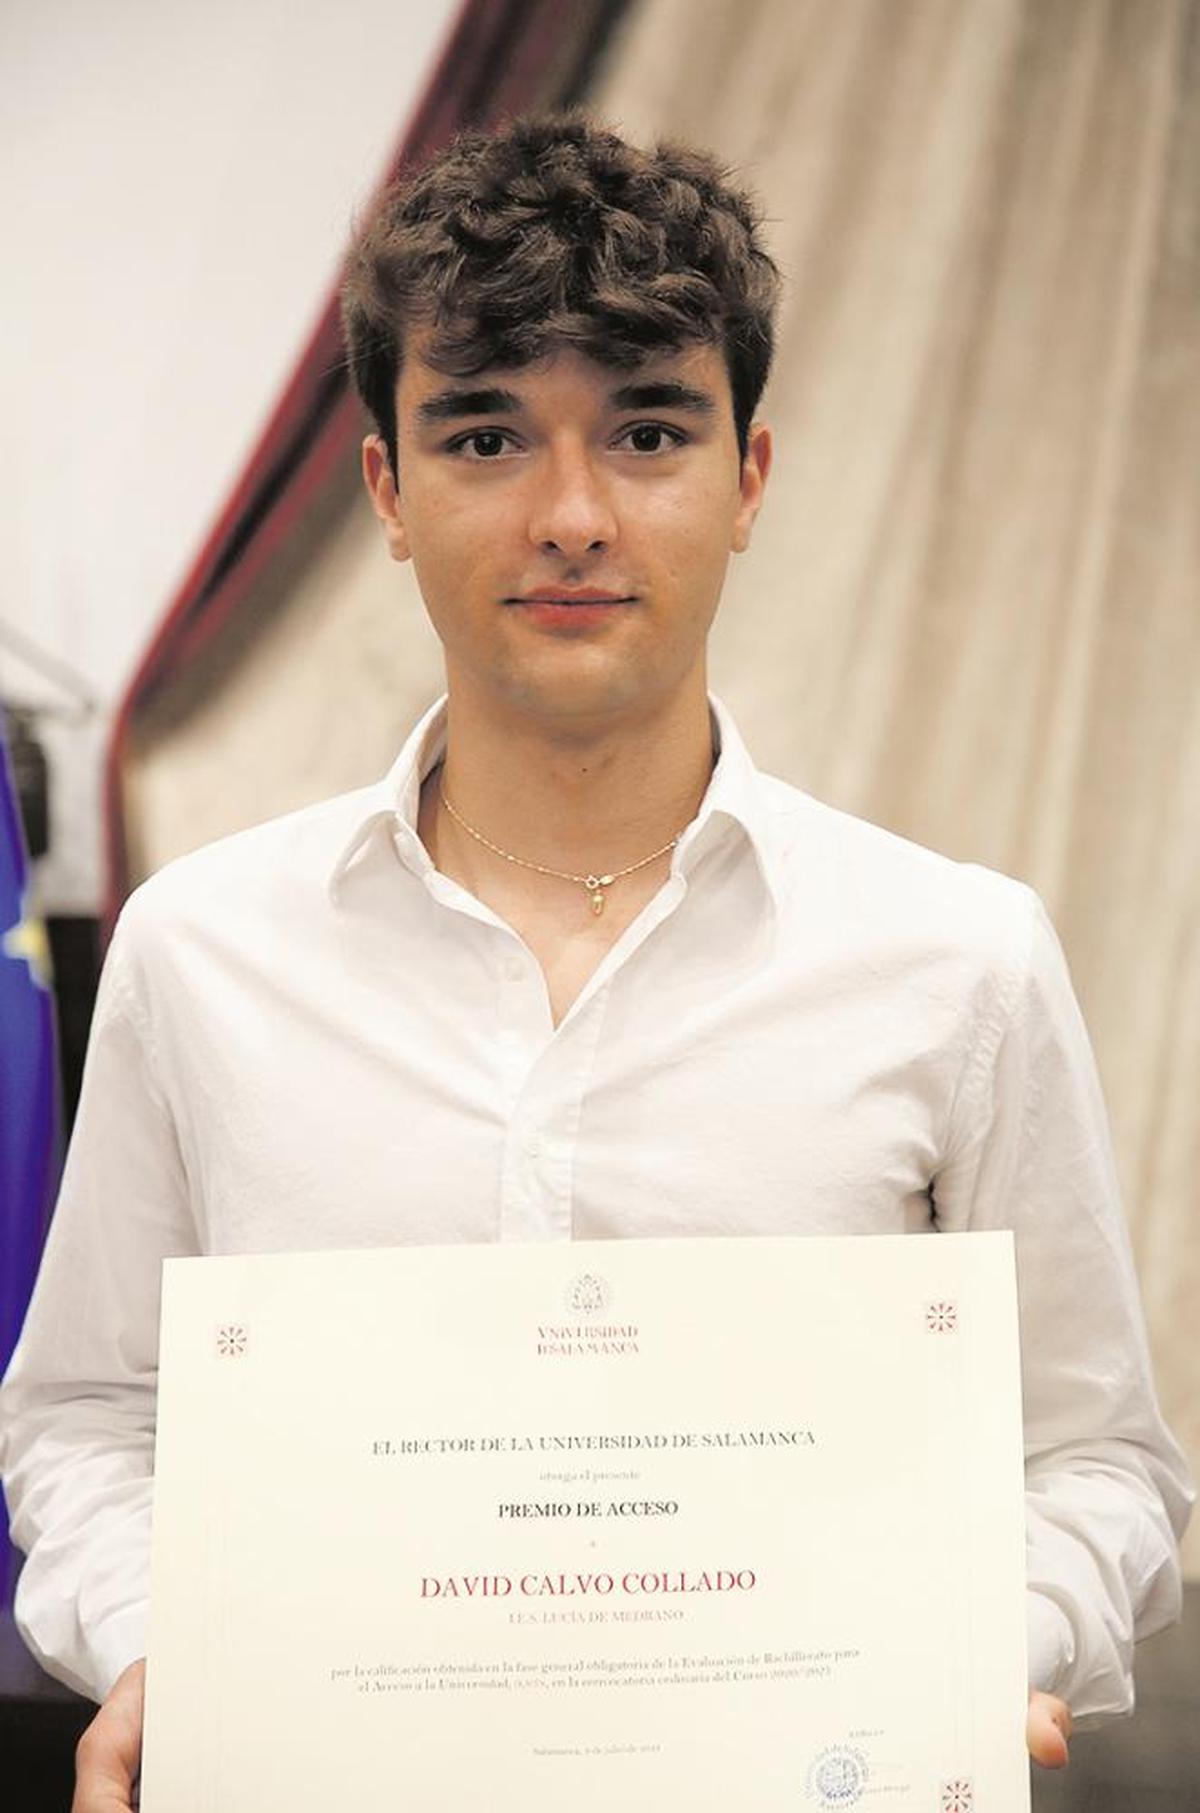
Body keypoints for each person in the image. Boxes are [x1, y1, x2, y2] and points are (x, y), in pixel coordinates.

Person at [1, 113, 1190, 1812]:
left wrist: (965, 1643)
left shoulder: (959, 958)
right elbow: (86, 1423)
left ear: (748, 481)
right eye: (485, 436)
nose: (570, 515)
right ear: (388, 493)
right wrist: (157, 1642)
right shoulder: (201, 951)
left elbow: (1098, 1459)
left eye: (646, 430)